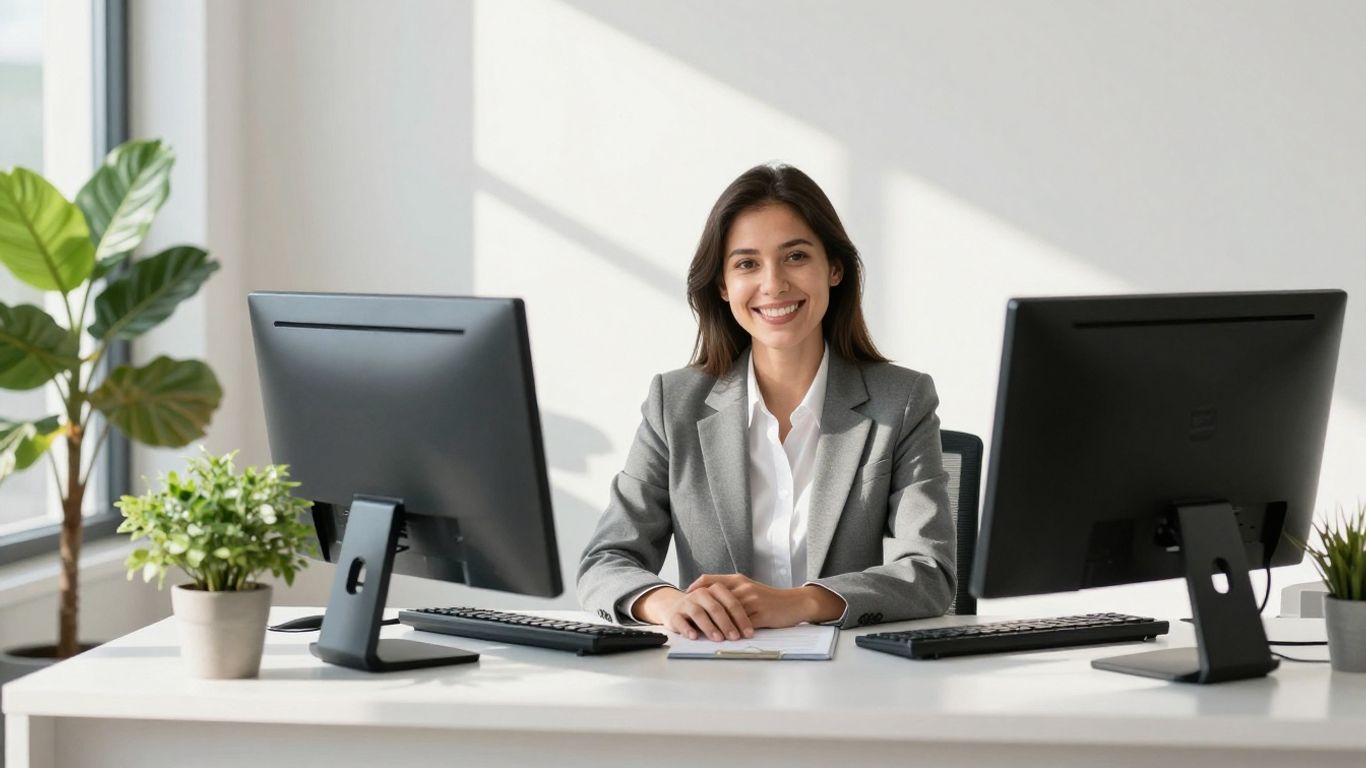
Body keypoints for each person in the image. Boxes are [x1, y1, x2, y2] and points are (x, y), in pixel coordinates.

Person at [578, 163, 955, 642]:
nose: (773, 284)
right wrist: (672, 604)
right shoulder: (674, 404)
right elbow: (605, 562)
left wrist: (798, 603)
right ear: (722, 285)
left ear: (833, 268)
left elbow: (929, 573)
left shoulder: (900, 400)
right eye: (746, 263)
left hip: (850, 677)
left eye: (795, 256)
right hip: (714, 677)